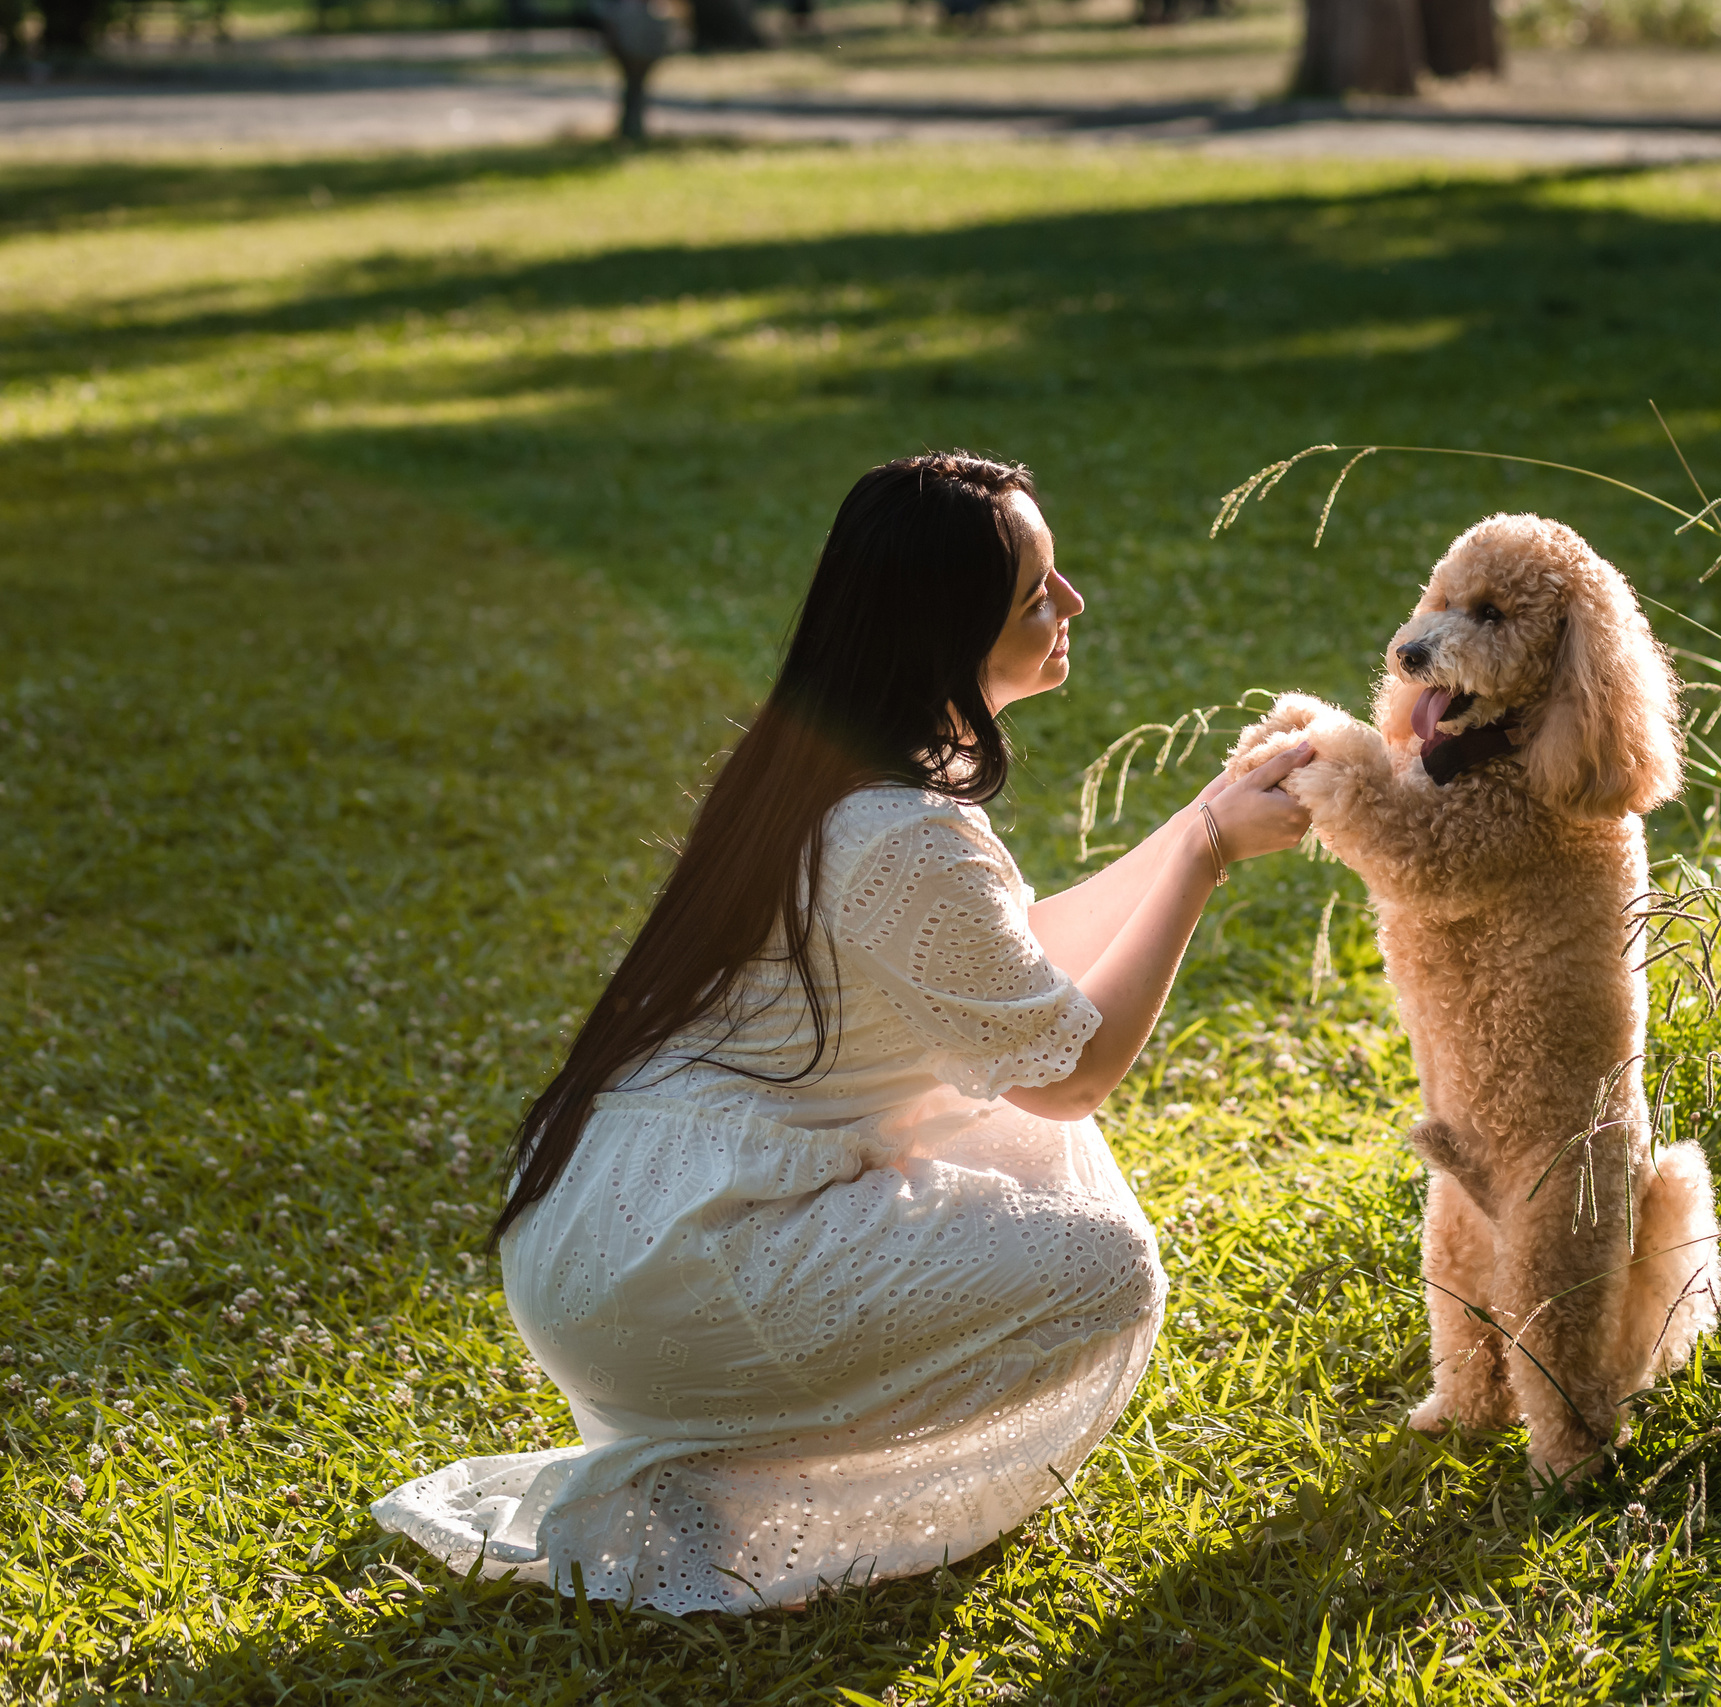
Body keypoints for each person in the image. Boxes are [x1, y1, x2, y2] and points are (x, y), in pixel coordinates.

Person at [372, 453, 1313, 1614]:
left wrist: (1195, 824)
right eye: (1038, 593)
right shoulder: (901, 826)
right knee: (1101, 1262)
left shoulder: (824, 771)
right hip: (677, 1263)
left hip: (609, 1228)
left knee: (1004, 1126)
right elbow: (1070, 1072)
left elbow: (1008, 966)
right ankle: (750, 1491)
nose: (1071, 605)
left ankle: (721, 1447)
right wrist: (1209, 859)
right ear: (944, 628)